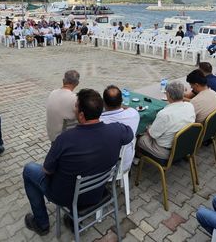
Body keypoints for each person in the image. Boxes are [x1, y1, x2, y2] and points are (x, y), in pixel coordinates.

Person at [22, 89, 133, 235]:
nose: (74, 109)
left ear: (81, 115)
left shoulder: (65, 139)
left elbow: (47, 170)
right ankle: (73, 220)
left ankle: (41, 224)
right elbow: (129, 133)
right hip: (98, 191)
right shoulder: (116, 130)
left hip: (66, 196)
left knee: (29, 170)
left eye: (76, 106)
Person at [137, 81, 195, 160]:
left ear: (168, 95)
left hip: (167, 151)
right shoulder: (190, 106)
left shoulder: (164, 114)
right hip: (186, 145)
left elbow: (152, 135)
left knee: (141, 138)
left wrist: (148, 128)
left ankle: (139, 158)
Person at [100, 85, 140, 171]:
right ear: (121, 101)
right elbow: (130, 109)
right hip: (126, 163)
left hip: (105, 170)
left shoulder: (100, 122)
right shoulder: (134, 114)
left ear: (103, 103)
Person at [46, 70, 80, 142]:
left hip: (52, 136)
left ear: (63, 81)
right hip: (63, 139)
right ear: (77, 83)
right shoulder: (75, 99)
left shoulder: (52, 93)